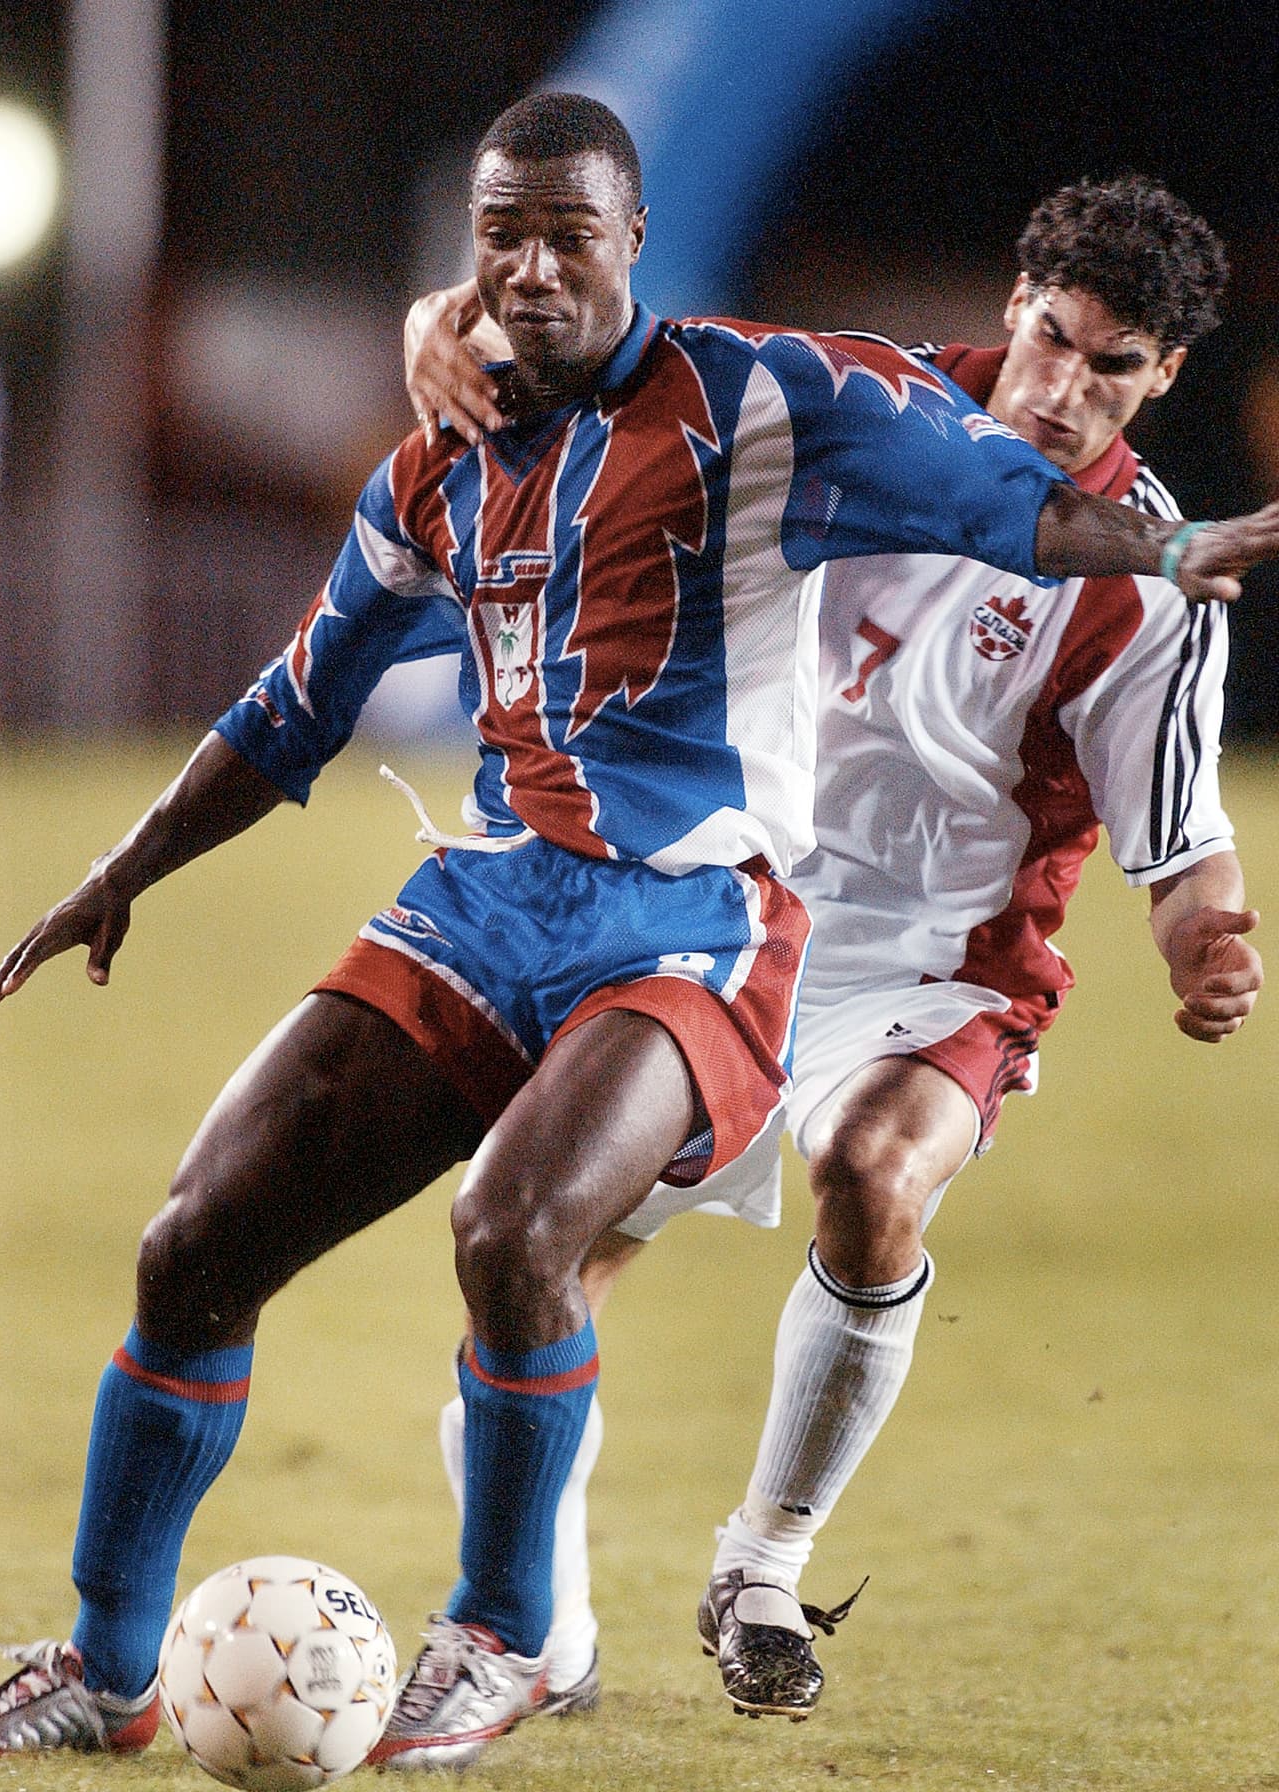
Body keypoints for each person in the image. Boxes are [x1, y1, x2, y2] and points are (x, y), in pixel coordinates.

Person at [0, 96, 1273, 1770]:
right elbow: (305, 692)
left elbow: (1041, 550)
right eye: (497, 242)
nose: (529, 271)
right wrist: (130, 864)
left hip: (761, 929)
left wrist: (1177, 560)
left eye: (570, 238)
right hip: (499, 892)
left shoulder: (787, 402)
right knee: (201, 1248)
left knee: (571, 1222)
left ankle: (613, 1608)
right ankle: (123, 1665)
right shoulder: (468, 452)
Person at [401, 172, 1264, 1729]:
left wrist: (1207, 937)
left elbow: (1179, 827)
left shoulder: (1146, 578)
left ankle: (762, 1567)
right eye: (1054, 338)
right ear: (1013, 303)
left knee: (874, 1170)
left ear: (1167, 376)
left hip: (940, 964)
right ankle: (551, 1630)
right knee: (532, 1262)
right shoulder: (857, 408)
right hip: (726, 916)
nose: (1067, 389)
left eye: (1115, 363)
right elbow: (628, 355)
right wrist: (442, 322)